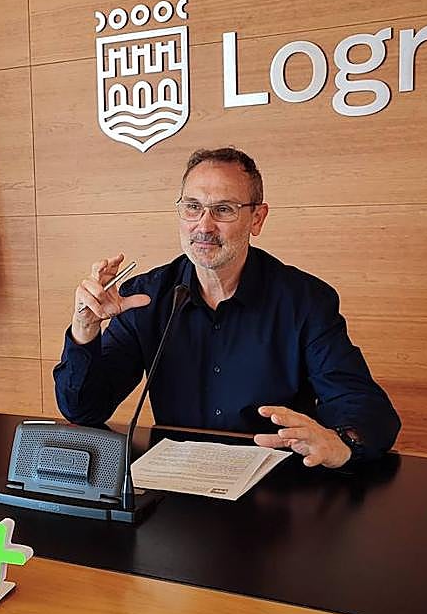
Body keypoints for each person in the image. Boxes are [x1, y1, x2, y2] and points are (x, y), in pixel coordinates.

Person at [53, 147, 400, 468]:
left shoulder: (305, 301)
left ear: (257, 219)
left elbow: (365, 408)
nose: (203, 226)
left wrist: (341, 441)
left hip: (273, 487)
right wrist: (85, 331)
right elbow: (84, 409)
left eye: (223, 209)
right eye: (192, 207)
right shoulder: (146, 297)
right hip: (175, 487)